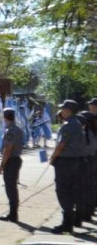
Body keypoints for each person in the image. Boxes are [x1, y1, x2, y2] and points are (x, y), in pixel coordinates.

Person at [49, 100, 84, 234]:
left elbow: (62, 144)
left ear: (68, 110)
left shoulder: (69, 125)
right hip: (73, 161)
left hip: (65, 161)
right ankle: (68, 222)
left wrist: (53, 157)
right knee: (68, 190)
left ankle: (67, 223)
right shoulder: (76, 123)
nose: (62, 111)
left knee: (63, 191)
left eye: (63, 109)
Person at [0, 108, 24, 223]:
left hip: (11, 160)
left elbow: (8, 149)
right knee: (11, 187)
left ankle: (13, 214)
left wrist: (2, 165)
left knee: (10, 188)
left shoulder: (11, 130)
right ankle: (13, 212)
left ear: (5, 117)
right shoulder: (17, 129)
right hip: (15, 160)